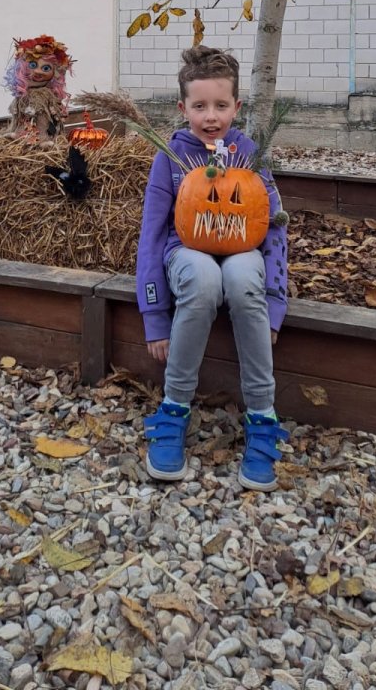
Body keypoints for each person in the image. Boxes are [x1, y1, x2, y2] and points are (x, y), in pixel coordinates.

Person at [135, 45, 289, 490]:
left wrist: (274, 304)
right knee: (203, 279)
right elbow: (151, 235)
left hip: (243, 252)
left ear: (237, 107)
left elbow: (275, 228)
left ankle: (262, 413)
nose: (210, 116)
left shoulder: (250, 155)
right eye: (199, 106)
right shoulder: (169, 158)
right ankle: (174, 407)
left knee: (240, 278)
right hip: (185, 253)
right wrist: (154, 315)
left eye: (221, 105)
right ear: (182, 108)